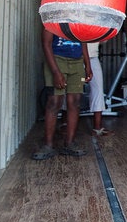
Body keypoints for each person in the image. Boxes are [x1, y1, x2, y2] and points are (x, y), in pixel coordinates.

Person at [33, 29, 92, 160]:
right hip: (57, 60)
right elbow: (46, 44)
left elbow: (83, 42)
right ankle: (48, 145)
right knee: (54, 101)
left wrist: (87, 64)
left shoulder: (79, 18)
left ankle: (69, 143)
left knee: (75, 102)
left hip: (77, 62)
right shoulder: (53, 15)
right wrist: (55, 72)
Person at [86, 42, 113, 137]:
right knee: (70, 89)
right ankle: (65, 124)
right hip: (74, 58)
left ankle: (97, 128)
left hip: (93, 57)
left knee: (97, 89)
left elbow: (103, 40)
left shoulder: (98, 26)